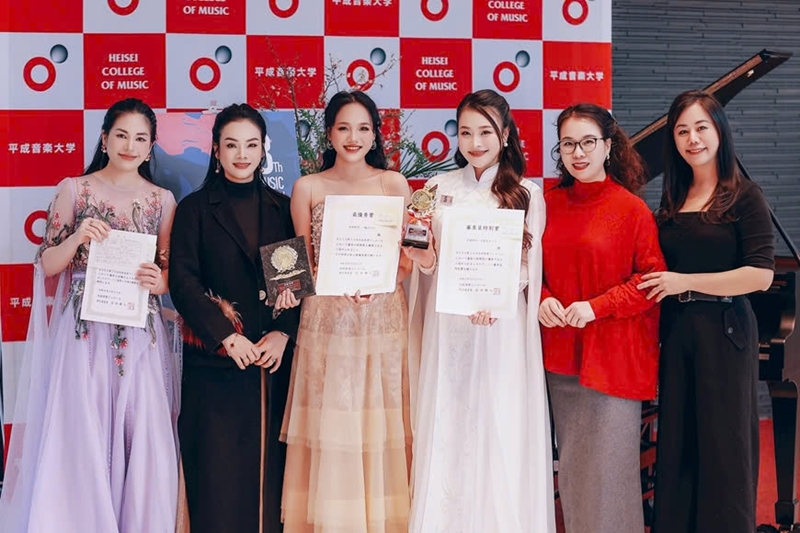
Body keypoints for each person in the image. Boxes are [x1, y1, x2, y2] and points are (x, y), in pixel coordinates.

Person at [0, 98, 181, 532]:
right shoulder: (74, 189)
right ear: (104, 138)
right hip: (84, 332)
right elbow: (47, 264)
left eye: (140, 138)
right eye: (121, 135)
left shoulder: (162, 200)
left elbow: (170, 272)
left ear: (151, 147)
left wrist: (159, 281)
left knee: (141, 427)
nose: (130, 146)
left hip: (139, 333)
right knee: (81, 423)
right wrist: (79, 235)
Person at [405, 89, 555, 533]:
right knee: (449, 416)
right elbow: (428, 264)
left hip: (499, 326)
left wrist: (497, 297)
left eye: (485, 132)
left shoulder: (526, 193)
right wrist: (423, 257)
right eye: (466, 132)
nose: (475, 142)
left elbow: (529, 267)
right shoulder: (436, 189)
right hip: (448, 325)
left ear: (505, 135)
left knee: (498, 419)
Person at [279, 90, 413, 533]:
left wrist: (381, 282)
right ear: (329, 133)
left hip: (381, 320)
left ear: (375, 135)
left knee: (380, 426)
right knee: (332, 425)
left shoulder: (394, 184)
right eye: (343, 128)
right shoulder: (308, 187)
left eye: (363, 128)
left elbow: (408, 263)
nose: (353, 137)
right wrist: (332, 283)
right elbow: (299, 266)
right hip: (328, 323)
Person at [643, 90, 774, 533]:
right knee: (678, 444)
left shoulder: (745, 196)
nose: (692, 139)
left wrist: (685, 282)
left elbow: (760, 276)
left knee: (724, 446)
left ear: (720, 131)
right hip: (677, 332)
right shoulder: (673, 197)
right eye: (682, 131)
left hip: (725, 331)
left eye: (701, 127)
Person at [168, 103, 301, 533]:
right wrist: (226, 335)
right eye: (231, 145)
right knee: (217, 479)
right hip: (214, 366)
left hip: (269, 364)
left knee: (270, 479)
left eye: (251, 145)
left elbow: (293, 284)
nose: (242, 155)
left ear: (263, 149)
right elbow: (183, 283)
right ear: (215, 149)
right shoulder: (194, 209)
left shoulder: (282, 208)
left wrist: (283, 334)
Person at [538, 103, 666, 533]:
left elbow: (651, 281)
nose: (578, 153)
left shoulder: (631, 209)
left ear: (609, 146)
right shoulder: (547, 203)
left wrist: (597, 306)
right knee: (575, 474)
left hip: (613, 360)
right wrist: (542, 298)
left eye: (588, 142)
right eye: (568, 143)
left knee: (610, 477)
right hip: (560, 359)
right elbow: (529, 271)